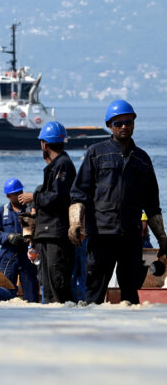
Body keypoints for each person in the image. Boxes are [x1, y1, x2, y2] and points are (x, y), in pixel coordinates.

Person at [70, 100, 167, 304]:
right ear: (109, 125)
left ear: (133, 123)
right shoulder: (96, 153)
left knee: (130, 292)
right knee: (94, 290)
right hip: (101, 235)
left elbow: (152, 205)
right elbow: (79, 193)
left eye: (129, 122)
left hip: (131, 236)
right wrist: (75, 224)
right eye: (119, 123)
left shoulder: (142, 159)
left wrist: (162, 238)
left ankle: (128, 332)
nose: (124, 126)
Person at [18, 121, 76, 303]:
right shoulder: (56, 166)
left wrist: (33, 197)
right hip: (47, 234)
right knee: (48, 285)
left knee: (57, 284)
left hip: (56, 234)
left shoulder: (63, 165)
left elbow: (57, 197)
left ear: (44, 144)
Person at [0, 178, 40, 303]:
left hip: (28, 256)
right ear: (8, 196)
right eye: (16, 193)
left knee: (31, 292)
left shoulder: (31, 210)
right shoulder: (2, 211)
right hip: (8, 256)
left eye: (21, 192)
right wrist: (8, 237)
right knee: (5, 290)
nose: (20, 195)